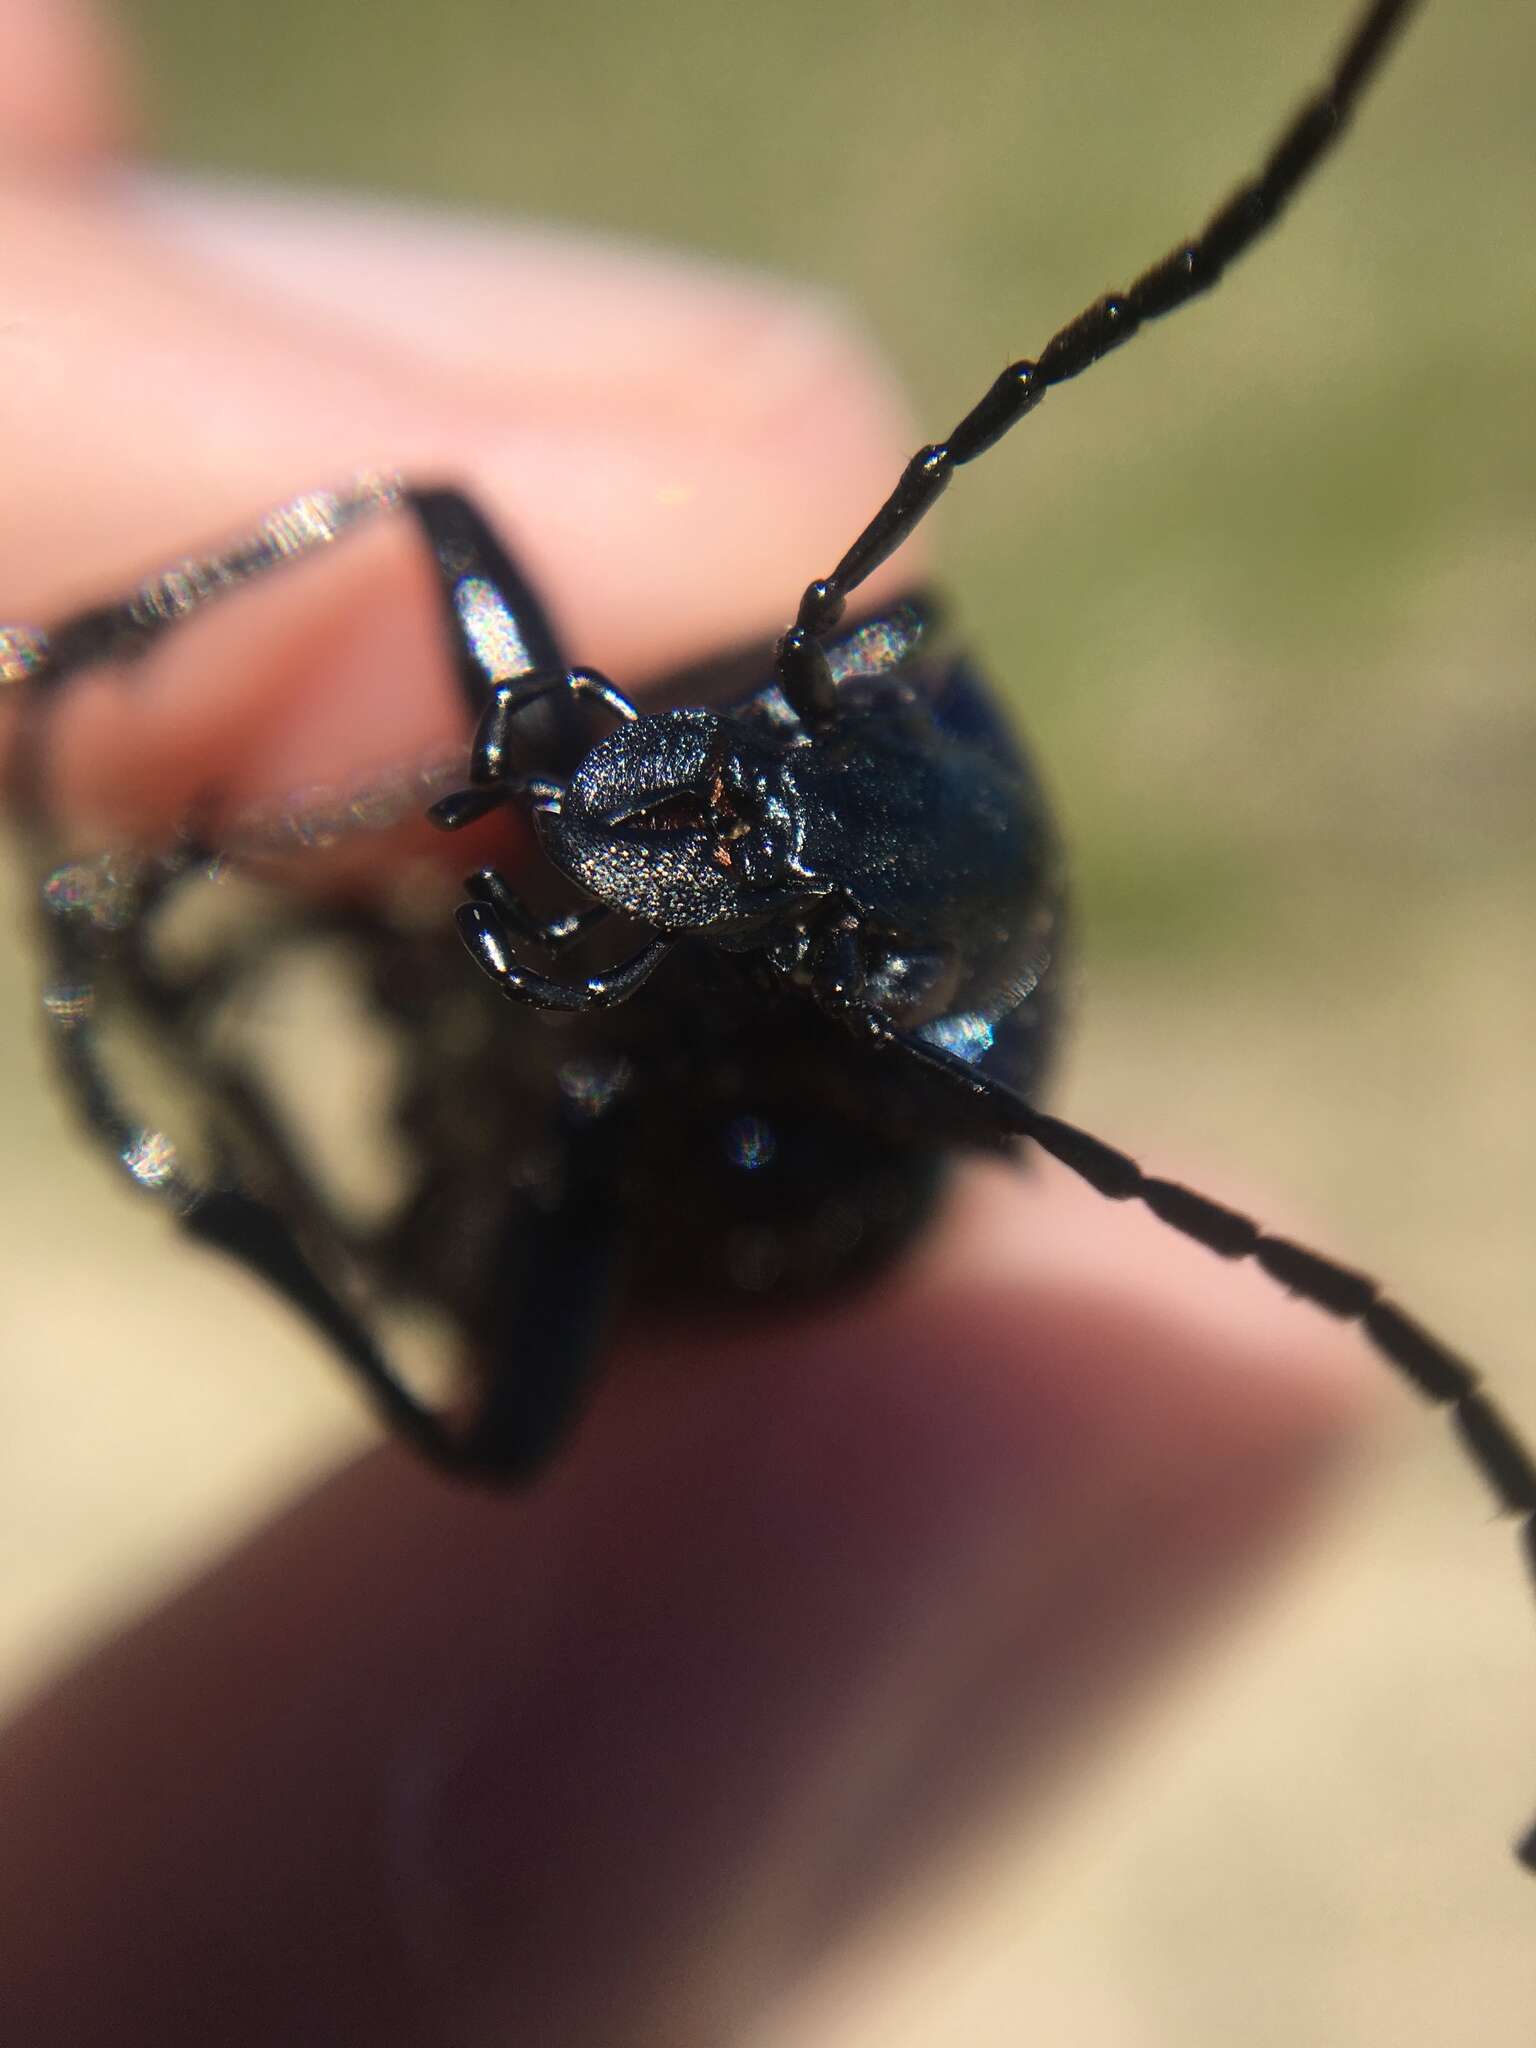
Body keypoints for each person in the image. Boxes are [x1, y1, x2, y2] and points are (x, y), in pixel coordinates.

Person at [0, 4, 1367, 2039]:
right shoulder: (837, 683)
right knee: (446, 509)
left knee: (506, 1427)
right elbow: (507, 561)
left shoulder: (867, 1057)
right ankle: (74, 679)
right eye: (759, 734)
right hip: (582, 1041)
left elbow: (539, 1381)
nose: (649, 813)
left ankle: (199, 1164)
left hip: (631, 1177)